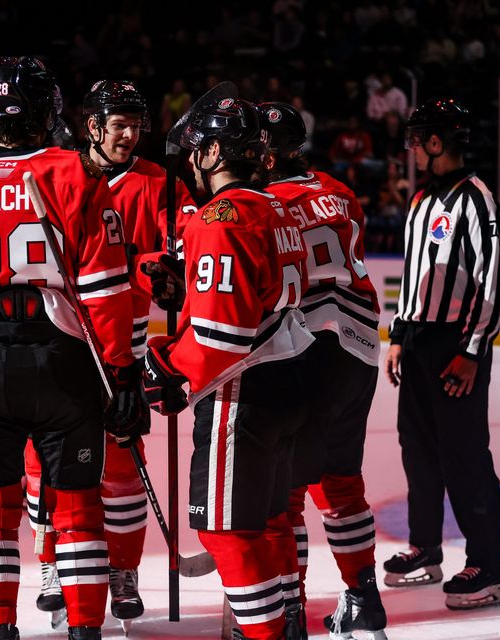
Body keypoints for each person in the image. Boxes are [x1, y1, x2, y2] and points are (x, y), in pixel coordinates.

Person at [0, 56, 145, 640]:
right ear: (46, 110)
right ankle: (85, 631)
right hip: (62, 357)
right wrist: (120, 372)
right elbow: (105, 290)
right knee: (78, 507)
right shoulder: (73, 170)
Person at [22, 79, 196, 631]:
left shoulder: (159, 183)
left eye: (135, 125)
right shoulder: (57, 174)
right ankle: (52, 563)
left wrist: (167, 270)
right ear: (92, 126)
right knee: (43, 462)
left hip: (125, 343)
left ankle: (123, 571)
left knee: (122, 463)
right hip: (57, 339)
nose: (129, 135)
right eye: (118, 125)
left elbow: (186, 243)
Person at [144, 96, 314, 640]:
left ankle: (264, 634)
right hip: (288, 375)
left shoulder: (220, 219)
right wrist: (188, 285)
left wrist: (165, 367)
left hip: (242, 391)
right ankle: (288, 623)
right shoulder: (278, 207)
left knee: (224, 533)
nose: (192, 162)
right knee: (269, 521)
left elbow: (223, 337)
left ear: (215, 152)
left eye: (198, 150)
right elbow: (251, 293)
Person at [259, 102, 388, 640]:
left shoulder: (267, 203)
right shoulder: (339, 190)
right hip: (360, 347)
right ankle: (364, 600)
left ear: (267, 155)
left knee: (284, 493)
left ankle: (292, 611)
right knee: (340, 482)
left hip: (310, 348)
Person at [384, 98, 500, 611]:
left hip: (454, 344)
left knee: (464, 454)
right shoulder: (421, 200)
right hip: (417, 341)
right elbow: (413, 274)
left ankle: (488, 567)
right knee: (417, 449)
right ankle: (426, 547)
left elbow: (493, 281)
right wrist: (398, 334)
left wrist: (472, 351)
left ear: (437, 142)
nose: (411, 149)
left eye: (417, 140)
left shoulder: (478, 199)